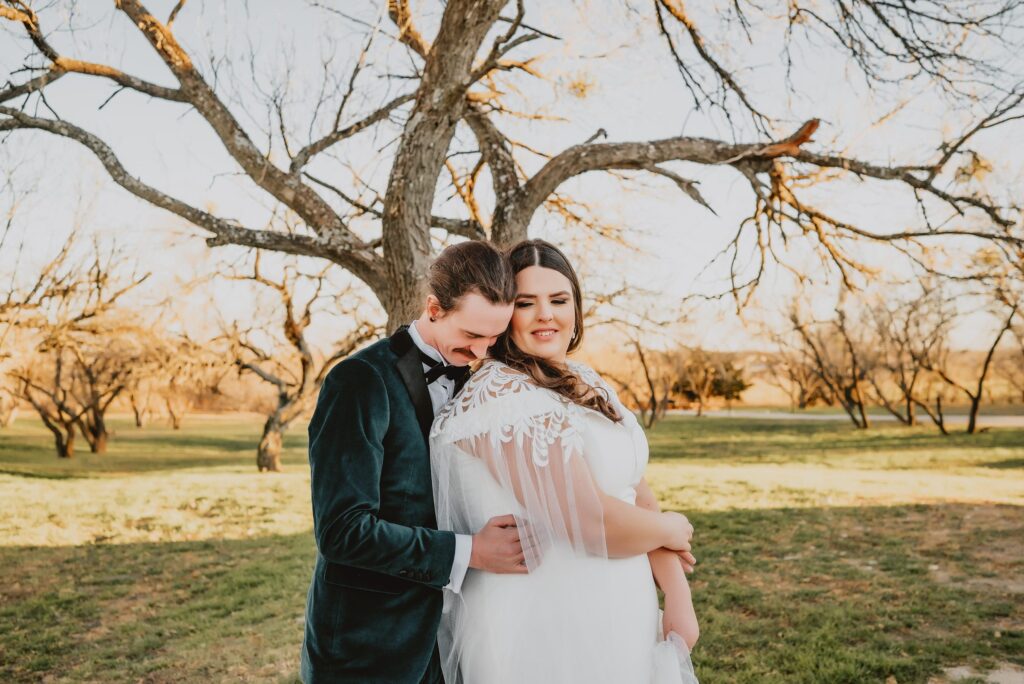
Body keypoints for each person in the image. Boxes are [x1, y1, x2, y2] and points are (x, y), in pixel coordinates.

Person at [430, 239, 700, 683]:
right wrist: (672, 527)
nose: (546, 315)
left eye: (559, 300)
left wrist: (675, 590)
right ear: (503, 314)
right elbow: (587, 521)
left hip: (621, 608)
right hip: (545, 622)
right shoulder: (500, 396)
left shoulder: (585, 380)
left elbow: (634, 490)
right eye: (525, 303)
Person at [301, 240, 532, 683]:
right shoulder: (359, 381)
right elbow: (342, 531)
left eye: (494, 337)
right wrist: (471, 551)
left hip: (457, 639)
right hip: (370, 646)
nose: (482, 351)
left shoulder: (487, 383)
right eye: (470, 336)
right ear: (433, 308)